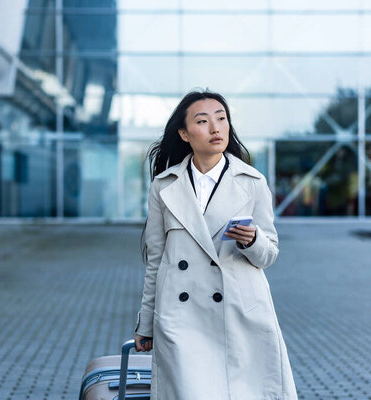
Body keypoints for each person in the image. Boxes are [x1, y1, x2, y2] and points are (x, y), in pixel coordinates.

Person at [133, 89, 298, 399]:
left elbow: (269, 255)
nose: (216, 128)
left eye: (222, 119)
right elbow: (156, 261)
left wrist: (252, 241)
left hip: (239, 314)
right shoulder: (164, 186)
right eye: (203, 120)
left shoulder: (252, 182)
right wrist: (146, 322)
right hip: (181, 316)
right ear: (184, 133)